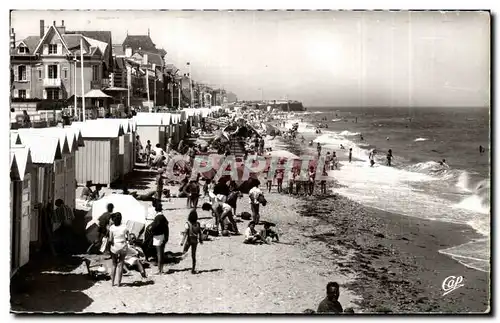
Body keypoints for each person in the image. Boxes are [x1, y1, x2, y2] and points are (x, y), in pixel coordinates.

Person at [109, 212, 129, 287]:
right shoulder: (125, 226)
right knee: (121, 264)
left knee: (114, 264)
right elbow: (129, 238)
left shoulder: (112, 228)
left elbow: (110, 239)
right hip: (123, 246)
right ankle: (119, 284)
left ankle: (112, 283)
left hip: (115, 247)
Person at [180, 209, 203, 274]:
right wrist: (200, 240)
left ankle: (182, 257)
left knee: (184, 250)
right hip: (195, 241)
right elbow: (200, 233)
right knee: (193, 255)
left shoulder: (188, 224)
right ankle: (193, 269)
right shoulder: (198, 224)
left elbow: (185, 234)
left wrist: (182, 242)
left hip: (189, 240)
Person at [149, 205, 169, 274]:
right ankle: (161, 269)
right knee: (161, 253)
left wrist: (150, 228)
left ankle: (159, 270)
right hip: (163, 235)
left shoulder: (157, 217)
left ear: (156, 210)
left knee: (159, 254)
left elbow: (154, 226)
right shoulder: (163, 217)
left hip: (157, 237)